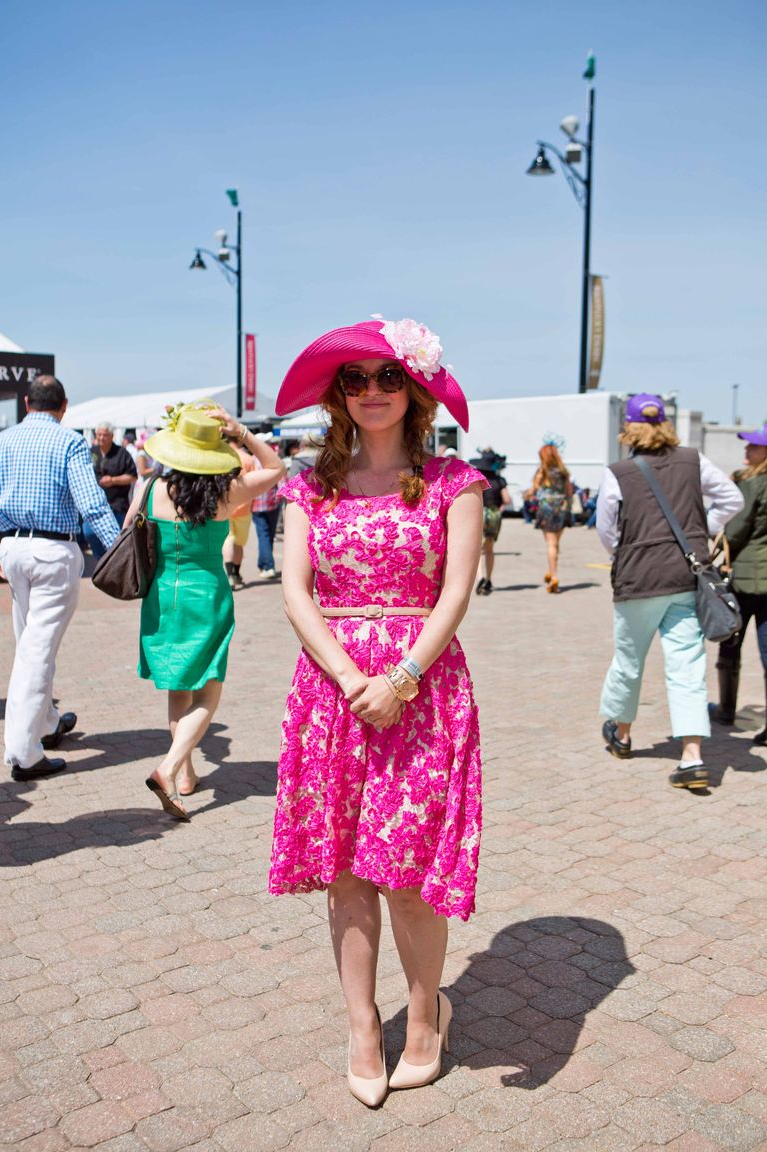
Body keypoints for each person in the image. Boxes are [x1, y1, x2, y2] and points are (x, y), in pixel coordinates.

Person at [268, 317, 486, 1108]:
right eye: (355, 380)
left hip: (422, 691)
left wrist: (397, 676)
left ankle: (426, 1012)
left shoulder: (454, 481)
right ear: (339, 396)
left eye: (387, 377)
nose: (371, 392)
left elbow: (455, 592)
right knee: (346, 873)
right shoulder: (307, 484)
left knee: (411, 875)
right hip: (331, 695)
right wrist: (350, 674)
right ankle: (364, 1024)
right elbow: (296, 592)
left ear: (416, 387)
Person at [127, 402, 286, 819]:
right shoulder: (225, 492)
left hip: (162, 598)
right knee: (208, 690)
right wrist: (241, 433)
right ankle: (168, 768)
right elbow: (276, 469)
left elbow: (129, 528)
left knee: (178, 686)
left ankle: (185, 775)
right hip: (207, 595)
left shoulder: (151, 488)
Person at [597, 393, 743, 790]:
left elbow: (606, 530)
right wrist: (702, 530)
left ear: (628, 426)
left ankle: (623, 735)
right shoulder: (694, 460)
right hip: (684, 577)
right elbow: (732, 498)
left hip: (637, 580)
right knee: (687, 667)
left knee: (629, 661)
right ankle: (692, 756)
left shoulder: (618, 471)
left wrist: (626, 554)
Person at [0, 376, 119, 781]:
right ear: (64, 405)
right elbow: (92, 503)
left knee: (30, 641)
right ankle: (23, 751)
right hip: (53, 550)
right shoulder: (69, 442)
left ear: (27, 401)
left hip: (13, 548)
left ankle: (46, 722)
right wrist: (119, 550)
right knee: (37, 649)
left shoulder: (5, 440)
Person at [710, 421, 767, 744]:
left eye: (753, 445)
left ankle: (726, 710)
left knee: (730, 641)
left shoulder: (751, 483)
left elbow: (735, 530)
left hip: (745, 578)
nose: (746, 449)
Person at [82, 421, 137, 559]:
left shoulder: (122, 453)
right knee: (88, 532)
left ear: (112, 436)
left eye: (105, 435)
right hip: (94, 504)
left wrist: (113, 480)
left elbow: (132, 476)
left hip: (117, 504)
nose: (101, 438)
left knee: (116, 540)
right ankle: (101, 560)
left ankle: (113, 564)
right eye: (99, 434)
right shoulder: (91, 452)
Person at [528, 436, 573, 593]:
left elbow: (533, 490)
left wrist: (527, 495)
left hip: (546, 507)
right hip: (561, 507)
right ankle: (550, 571)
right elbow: (569, 492)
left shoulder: (542, 471)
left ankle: (554, 576)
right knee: (556, 544)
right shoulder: (563, 472)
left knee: (550, 544)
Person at [470, 448, 510, 595]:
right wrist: (499, 508)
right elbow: (507, 500)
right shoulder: (500, 480)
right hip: (493, 515)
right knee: (489, 548)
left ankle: (480, 576)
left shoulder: (477, 479)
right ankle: (488, 578)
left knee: (479, 550)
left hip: (479, 513)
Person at [223, 444, 256, 590]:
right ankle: (236, 574)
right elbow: (255, 483)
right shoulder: (248, 459)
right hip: (244, 506)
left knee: (229, 540)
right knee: (239, 543)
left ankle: (230, 575)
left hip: (225, 506)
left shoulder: (222, 456)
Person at [251, 460, 283, 579]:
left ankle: (266, 566)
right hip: (272, 503)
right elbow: (282, 483)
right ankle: (266, 565)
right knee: (268, 535)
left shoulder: (252, 460)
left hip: (256, 504)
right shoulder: (273, 459)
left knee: (263, 536)